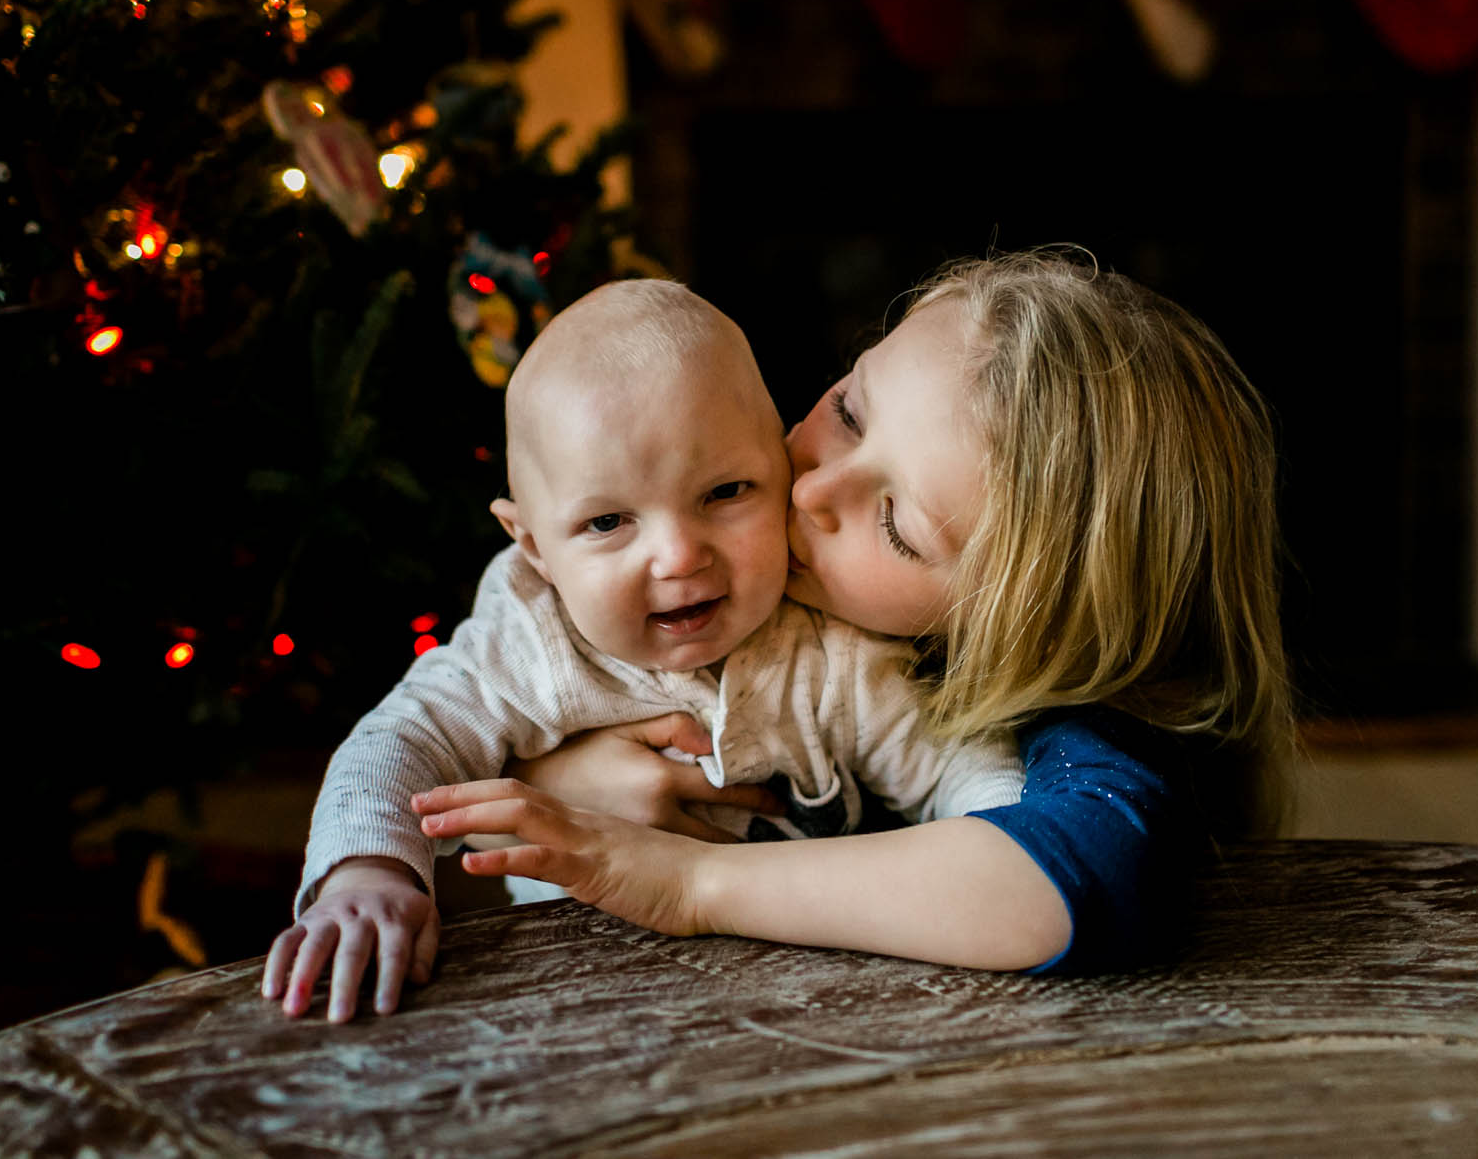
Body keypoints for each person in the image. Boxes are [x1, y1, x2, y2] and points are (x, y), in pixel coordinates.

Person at [412, 249, 1297, 973]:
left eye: (897, 527)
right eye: (847, 409)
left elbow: (1081, 875)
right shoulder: (720, 520)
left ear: (1024, 619)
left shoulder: (1077, 721)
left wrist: (693, 882)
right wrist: (544, 781)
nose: (809, 489)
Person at [263, 279, 1026, 1021]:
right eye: (606, 523)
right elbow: (403, 738)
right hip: (586, 992)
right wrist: (367, 873)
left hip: (820, 997)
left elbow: (969, 780)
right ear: (530, 544)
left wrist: (1009, 851)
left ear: (779, 467)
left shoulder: (828, 641)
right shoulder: (531, 637)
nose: (678, 555)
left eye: (726, 492)